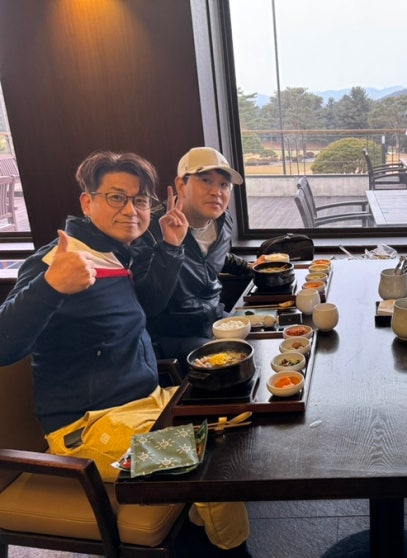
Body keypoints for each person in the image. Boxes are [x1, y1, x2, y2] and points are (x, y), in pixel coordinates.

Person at [0, 151, 251, 556]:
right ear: (87, 202)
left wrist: (171, 246)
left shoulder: (116, 255)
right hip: (90, 429)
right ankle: (230, 549)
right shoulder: (58, 259)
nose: (131, 210)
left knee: (235, 420)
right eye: (116, 197)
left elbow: (146, 307)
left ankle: (196, 530)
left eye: (140, 200)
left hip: (146, 404)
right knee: (211, 461)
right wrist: (49, 287)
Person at [141, 146, 253, 366]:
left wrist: (253, 269)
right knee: (234, 363)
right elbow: (148, 302)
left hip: (215, 320)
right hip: (173, 337)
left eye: (224, 184)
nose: (216, 192)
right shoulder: (149, 230)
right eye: (206, 181)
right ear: (181, 185)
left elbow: (213, 258)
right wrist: (170, 247)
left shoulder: (223, 221)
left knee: (270, 332)